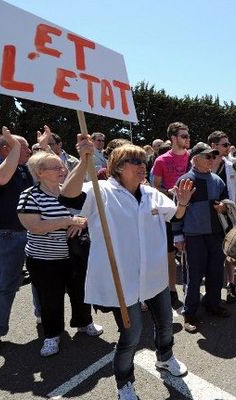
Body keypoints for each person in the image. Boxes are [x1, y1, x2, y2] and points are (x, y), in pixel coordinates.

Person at [60, 138, 191, 399]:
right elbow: (68, 196)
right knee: (132, 335)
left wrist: (183, 202)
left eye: (143, 160)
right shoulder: (100, 192)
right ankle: (124, 382)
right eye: (133, 161)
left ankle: (165, 357)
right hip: (123, 280)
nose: (142, 166)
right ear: (118, 167)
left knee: (166, 323)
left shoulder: (152, 193)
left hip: (154, 277)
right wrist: (85, 160)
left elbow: (174, 214)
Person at [17, 151, 103, 357]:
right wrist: (67, 221)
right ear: (40, 172)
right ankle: (52, 335)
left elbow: (87, 214)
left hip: (73, 256)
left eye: (62, 167)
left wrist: (81, 221)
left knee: (80, 292)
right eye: (56, 167)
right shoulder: (29, 195)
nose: (62, 170)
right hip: (44, 260)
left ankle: (84, 322)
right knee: (50, 299)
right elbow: (34, 226)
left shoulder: (68, 191)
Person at [173, 142, 230, 333]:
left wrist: (224, 207)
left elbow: (227, 203)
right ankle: (189, 313)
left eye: (213, 156)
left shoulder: (217, 181)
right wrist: (178, 235)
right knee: (193, 275)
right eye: (208, 156)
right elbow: (176, 212)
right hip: (194, 236)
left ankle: (213, 304)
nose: (212, 160)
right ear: (195, 159)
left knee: (216, 272)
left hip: (216, 235)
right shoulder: (185, 180)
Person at [0, 128, 34, 355]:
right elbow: (0, 178)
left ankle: (44, 319)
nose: (29, 150)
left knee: (42, 280)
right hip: (9, 235)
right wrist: (15, 151)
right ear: (7, 149)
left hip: (34, 231)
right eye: (23, 146)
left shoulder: (25, 169)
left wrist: (45, 146)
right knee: (6, 285)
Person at [153, 121, 191, 311]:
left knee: (188, 251)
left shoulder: (193, 158)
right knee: (170, 252)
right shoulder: (161, 161)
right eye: (184, 136)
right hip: (170, 212)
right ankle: (172, 290)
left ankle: (188, 288)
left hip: (191, 211)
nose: (187, 139)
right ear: (173, 138)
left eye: (188, 135)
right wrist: (170, 192)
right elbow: (155, 187)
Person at [208, 130, 236, 303]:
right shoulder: (203, 164)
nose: (228, 147)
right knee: (213, 252)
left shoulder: (232, 165)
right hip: (209, 214)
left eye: (228, 144)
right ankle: (213, 289)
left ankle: (231, 285)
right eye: (225, 144)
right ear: (213, 146)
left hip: (228, 213)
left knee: (231, 250)